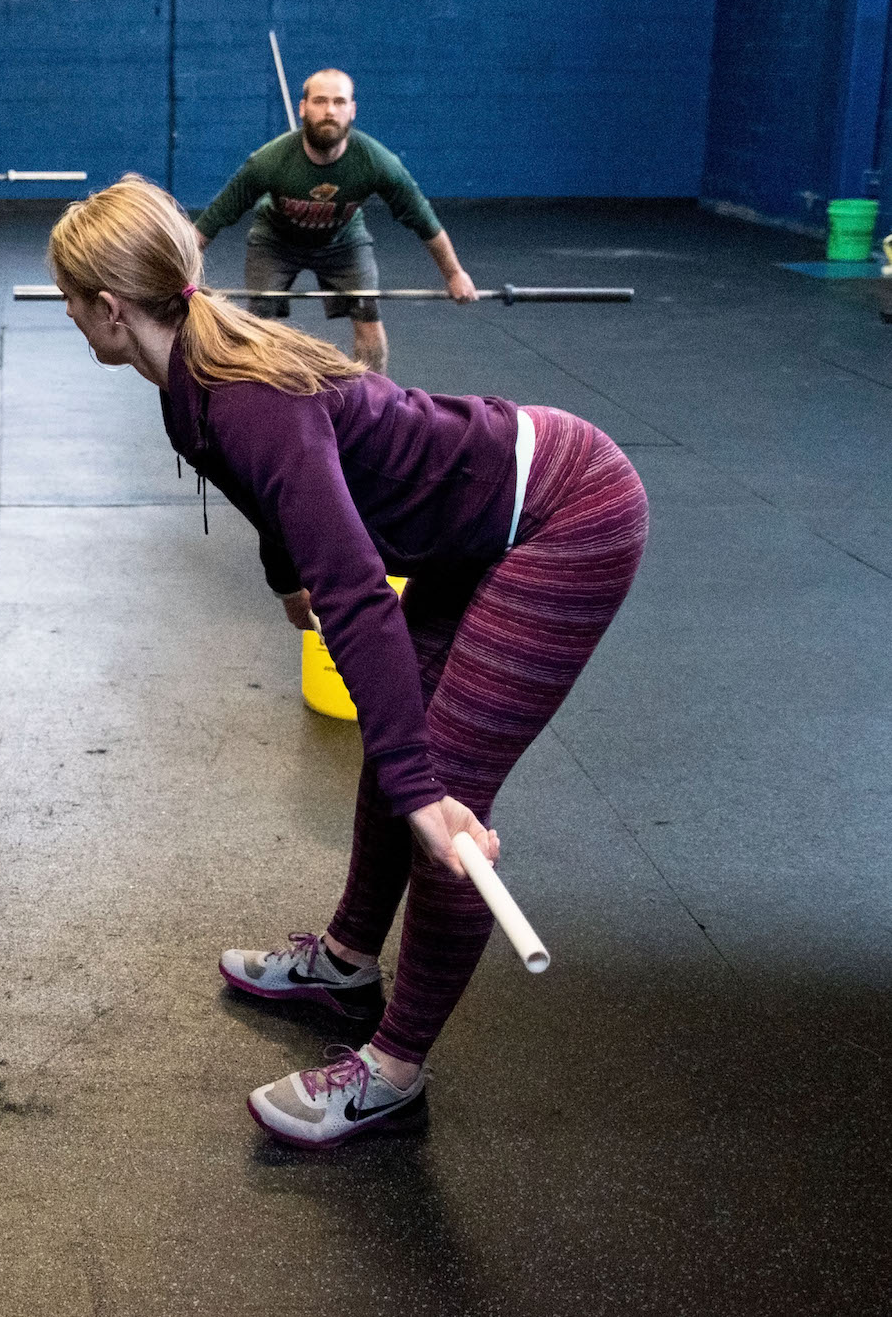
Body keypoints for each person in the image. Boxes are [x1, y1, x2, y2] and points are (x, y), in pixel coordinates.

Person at [49, 176, 648, 1149]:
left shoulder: (239, 395)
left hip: (563, 510)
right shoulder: (188, 379)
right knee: (400, 744)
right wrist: (283, 569)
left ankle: (392, 1067)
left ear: (109, 308)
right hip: (472, 515)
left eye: (72, 303)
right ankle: (343, 960)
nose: (71, 320)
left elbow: (360, 593)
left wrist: (420, 787)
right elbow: (276, 494)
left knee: (440, 801)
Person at [193, 68, 477, 371]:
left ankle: (375, 402)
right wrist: (175, 273)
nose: (330, 110)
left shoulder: (377, 162)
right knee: (258, 321)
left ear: (352, 110)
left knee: (368, 315)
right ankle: (260, 396)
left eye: (339, 102)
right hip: (276, 241)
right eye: (320, 101)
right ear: (303, 108)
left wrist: (454, 274)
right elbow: (212, 221)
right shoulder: (268, 162)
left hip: (343, 242)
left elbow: (424, 222)